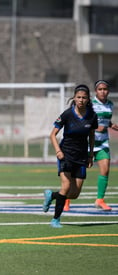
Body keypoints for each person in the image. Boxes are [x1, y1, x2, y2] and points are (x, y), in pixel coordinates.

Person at [43, 84, 98, 228]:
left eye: (84, 98)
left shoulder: (92, 116)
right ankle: (55, 219)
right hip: (65, 154)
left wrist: (90, 155)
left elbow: (92, 135)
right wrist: (58, 151)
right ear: (74, 98)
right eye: (78, 97)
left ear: (88, 99)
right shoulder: (67, 114)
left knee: (74, 194)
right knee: (66, 186)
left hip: (81, 157)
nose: (81, 100)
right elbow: (52, 135)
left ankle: (52, 195)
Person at [64, 80, 118, 211]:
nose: (103, 91)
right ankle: (66, 199)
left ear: (108, 91)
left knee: (105, 170)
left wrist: (111, 125)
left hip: (103, 142)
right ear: (96, 91)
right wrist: (92, 127)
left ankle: (100, 200)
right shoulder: (90, 104)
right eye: (100, 89)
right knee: (77, 175)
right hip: (86, 143)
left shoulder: (110, 104)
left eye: (105, 89)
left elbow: (105, 119)